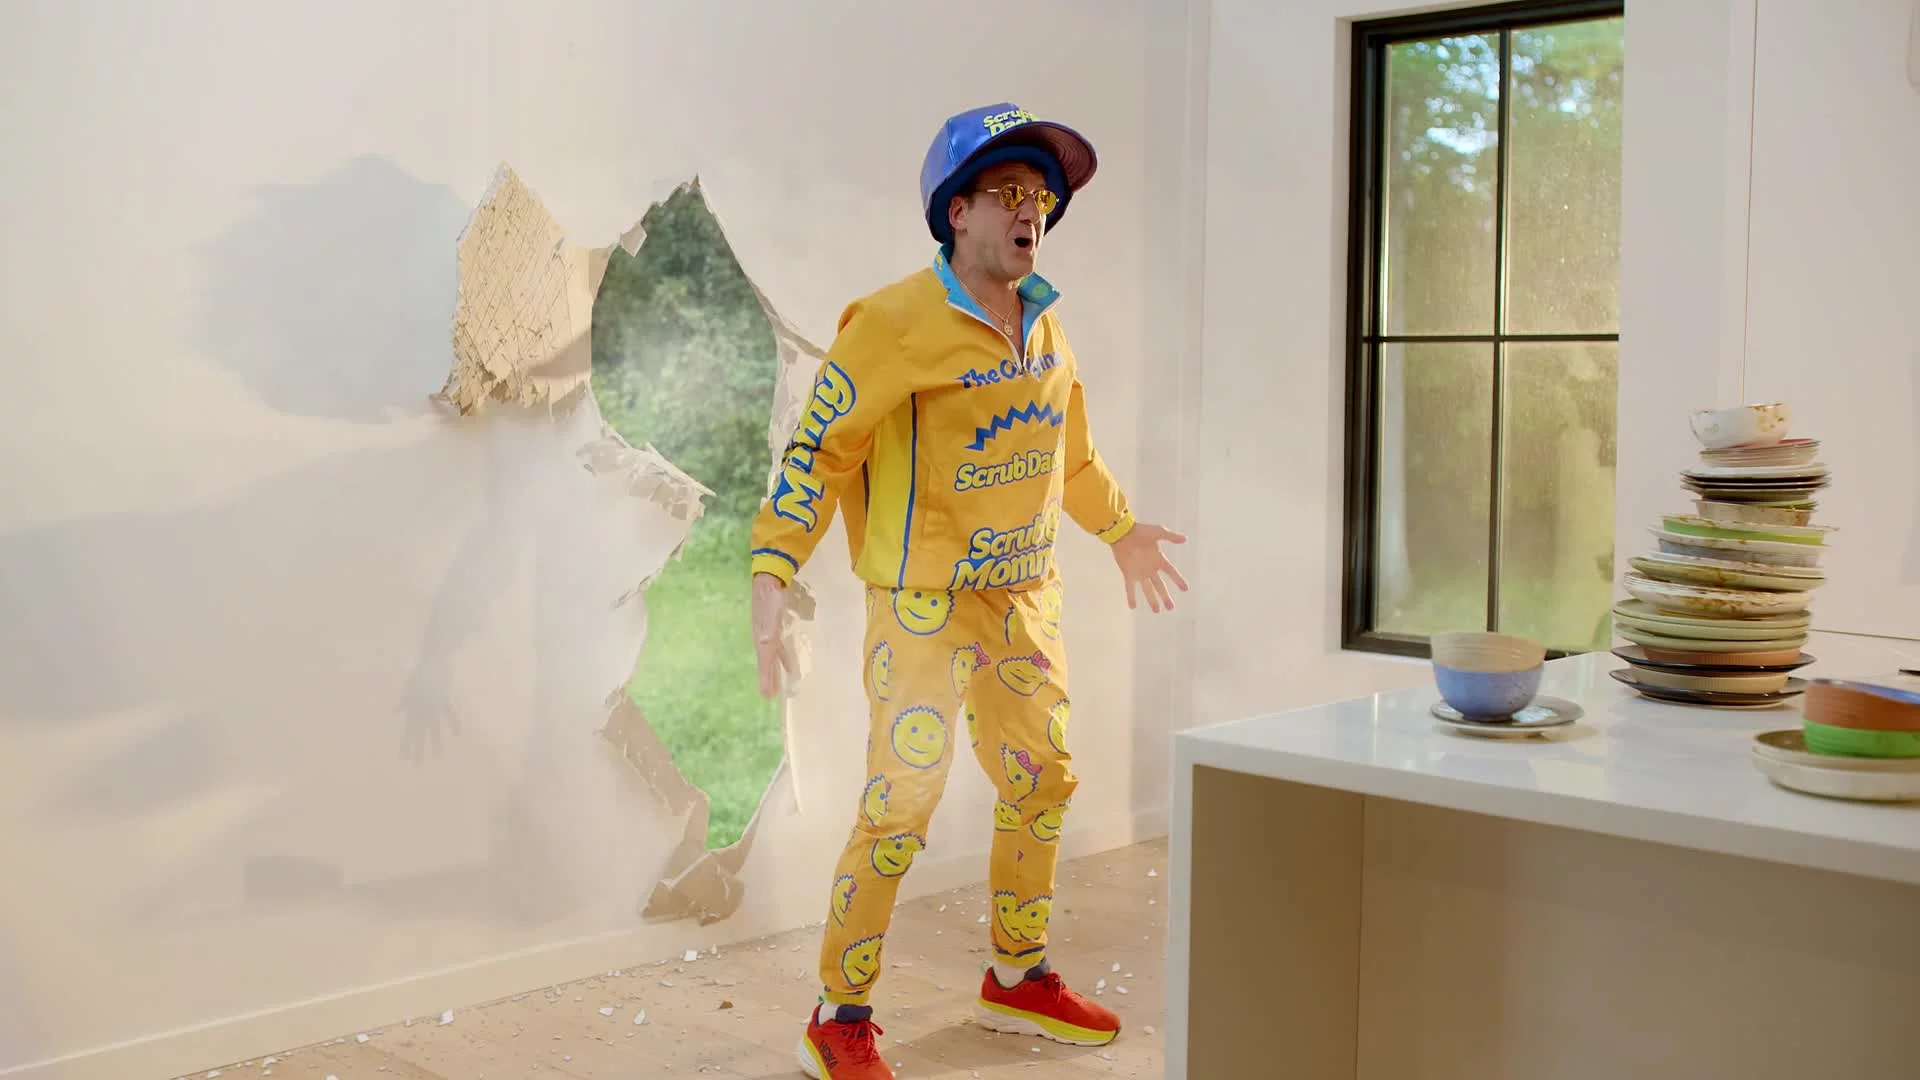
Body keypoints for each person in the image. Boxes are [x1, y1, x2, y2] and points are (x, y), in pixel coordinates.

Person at [747, 102, 1189, 1080]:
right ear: (957, 211)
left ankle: (1016, 975)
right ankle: (837, 1014)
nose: (1032, 211)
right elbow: (819, 453)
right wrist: (773, 569)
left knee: (1044, 780)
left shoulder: (1047, 324)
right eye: (1010, 192)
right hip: (922, 607)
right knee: (900, 806)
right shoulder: (890, 323)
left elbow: (1072, 457)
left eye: (1043, 197)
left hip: (1025, 599)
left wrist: (1120, 529)